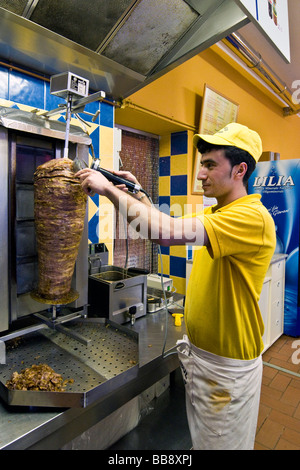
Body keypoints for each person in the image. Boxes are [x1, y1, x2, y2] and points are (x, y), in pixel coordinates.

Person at [76, 123, 276, 450]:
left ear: (240, 170)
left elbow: (164, 233)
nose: (200, 174)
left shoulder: (250, 217)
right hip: (207, 362)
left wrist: (109, 191)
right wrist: (138, 194)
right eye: (201, 164)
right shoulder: (222, 213)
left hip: (227, 371)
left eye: (210, 165)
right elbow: (163, 225)